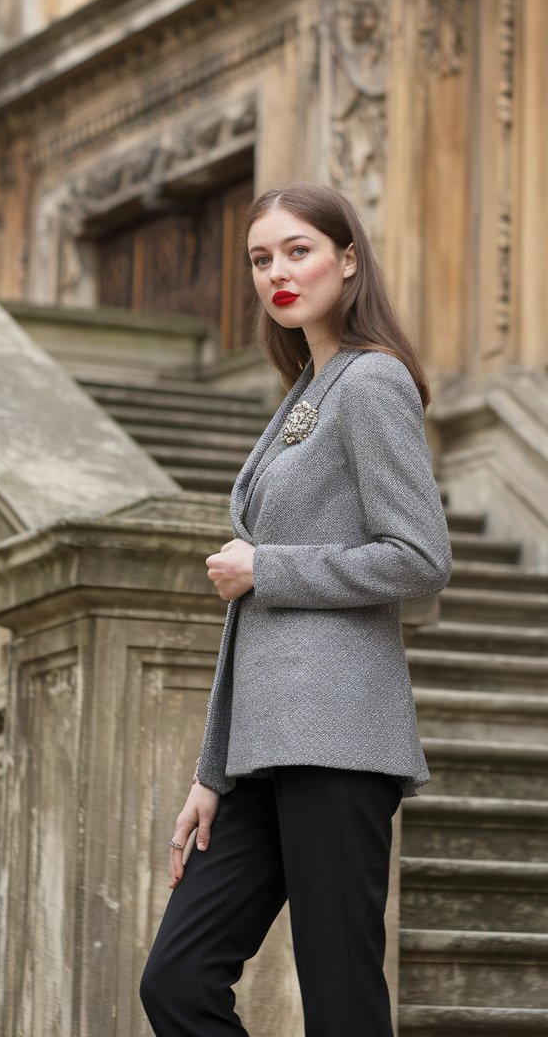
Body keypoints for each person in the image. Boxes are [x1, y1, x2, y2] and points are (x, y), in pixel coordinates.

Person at [139, 182, 452, 1037]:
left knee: (341, 1002)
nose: (277, 272)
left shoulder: (372, 381)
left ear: (348, 260)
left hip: (339, 738)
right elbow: (255, 619)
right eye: (261, 258)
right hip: (263, 751)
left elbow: (421, 557)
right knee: (177, 981)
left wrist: (268, 566)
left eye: (298, 250)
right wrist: (212, 771)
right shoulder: (307, 391)